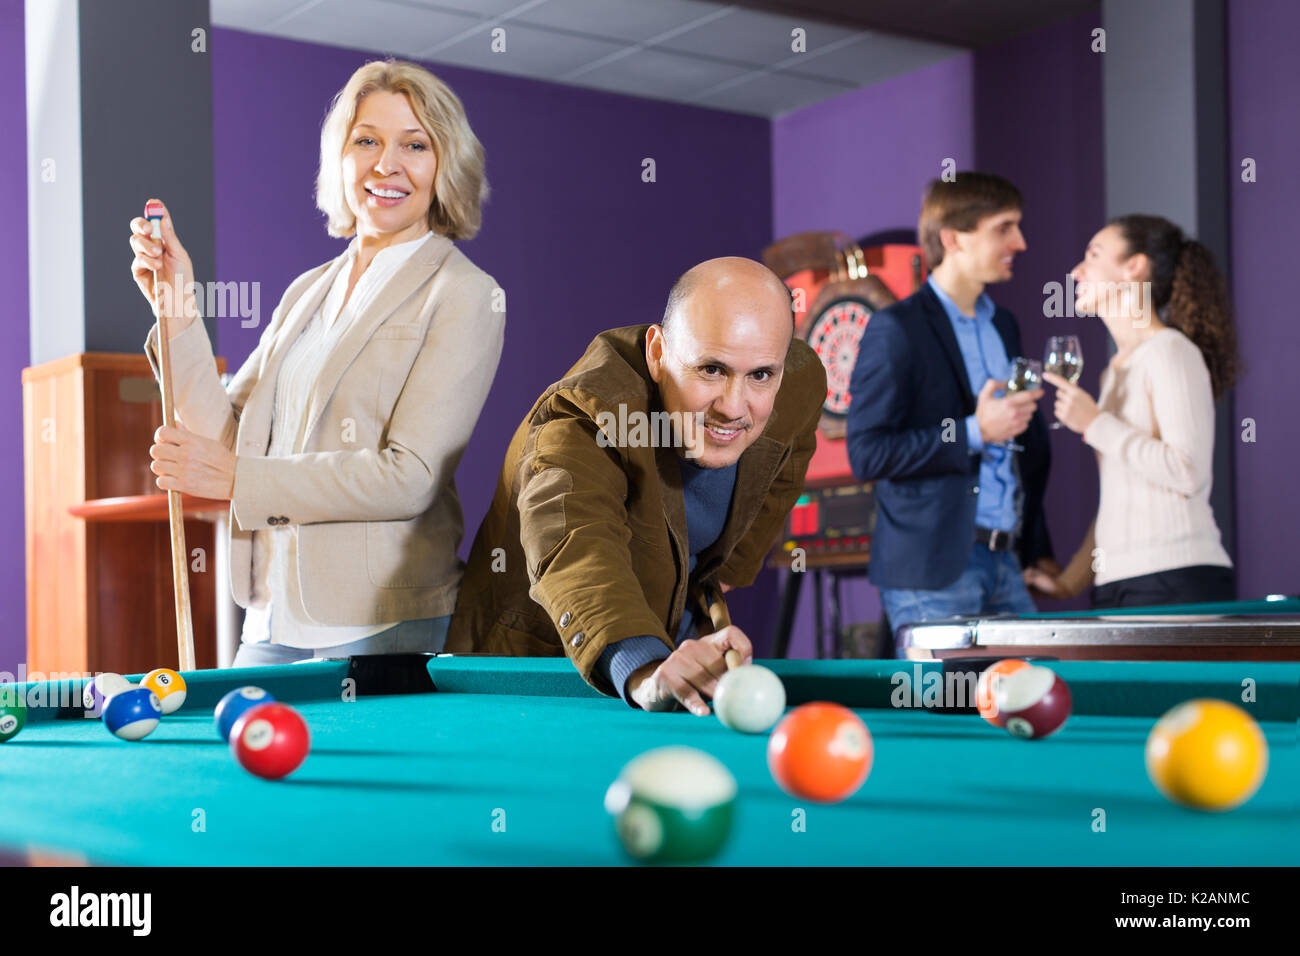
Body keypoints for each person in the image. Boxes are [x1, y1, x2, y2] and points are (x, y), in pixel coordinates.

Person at [127, 60, 504, 665]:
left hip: (383, 622)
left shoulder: (464, 293)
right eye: (367, 141)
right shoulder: (309, 290)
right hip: (270, 614)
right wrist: (175, 303)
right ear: (341, 159)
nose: (387, 163)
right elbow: (226, 433)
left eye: (415, 144)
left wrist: (236, 481)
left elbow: (408, 476)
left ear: (445, 165)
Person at [446, 258, 825, 714]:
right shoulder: (585, 420)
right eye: (710, 370)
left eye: (760, 375)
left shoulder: (798, 383)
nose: (732, 406)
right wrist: (644, 668)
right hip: (536, 677)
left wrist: (725, 572)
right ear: (658, 353)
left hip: (672, 661)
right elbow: (577, 548)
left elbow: (786, 455)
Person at [846, 172, 1056, 645]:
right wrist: (973, 431)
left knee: (1033, 705)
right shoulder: (896, 329)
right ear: (953, 238)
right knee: (944, 711)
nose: (1020, 242)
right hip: (932, 572)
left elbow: (1026, 446)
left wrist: (1034, 547)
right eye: (1004, 228)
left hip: (1007, 560)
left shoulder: (1004, 323)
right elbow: (868, 452)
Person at [1024, 215, 1238, 608]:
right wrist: (1072, 581)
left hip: (1176, 578)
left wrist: (1095, 424)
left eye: (1093, 256)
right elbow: (1120, 496)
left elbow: (1187, 472)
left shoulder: (1171, 351)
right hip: (1116, 583)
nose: (1075, 272)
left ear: (1134, 267)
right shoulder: (1113, 372)